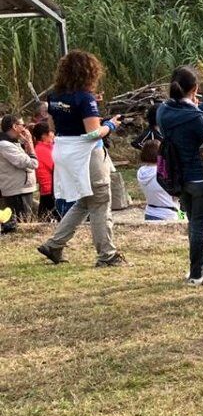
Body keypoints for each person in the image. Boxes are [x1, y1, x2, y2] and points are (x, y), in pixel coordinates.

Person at [37, 50, 126, 268]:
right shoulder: (85, 98)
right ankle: (107, 254)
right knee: (100, 201)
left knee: (85, 201)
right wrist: (111, 124)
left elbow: (60, 124)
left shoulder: (55, 97)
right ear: (89, 73)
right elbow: (93, 134)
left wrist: (94, 114)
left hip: (64, 150)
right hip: (86, 154)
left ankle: (55, 244)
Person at [158, 66, 203, 285]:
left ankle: (199, 269)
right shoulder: (195, 117)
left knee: (193, 223)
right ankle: (197, 273)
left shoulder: (163, 111)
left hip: (179, 177)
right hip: (200, 178)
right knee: (200, 226)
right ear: (195, 89)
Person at [0, 115, 38, 222]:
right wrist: (30, 144)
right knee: (22, 224)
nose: (25, 129)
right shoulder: (5, 145)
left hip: (22, 189)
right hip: (17, 192)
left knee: (25, 222)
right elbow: (32, 163)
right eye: (23, 125)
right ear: (14, 126)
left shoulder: (13, 143)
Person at [135, 139, 182, 222]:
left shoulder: (141, 171)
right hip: (168, 214)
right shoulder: (164, 173)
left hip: (150, 212)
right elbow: (177, 195)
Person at [32, 121, 57, 220]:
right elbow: (55, 166)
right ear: (44, 135)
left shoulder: (46, 148)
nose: (54, 135)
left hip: (50, 190)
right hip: (49, 190)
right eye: (52, 132)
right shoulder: (41, 149)